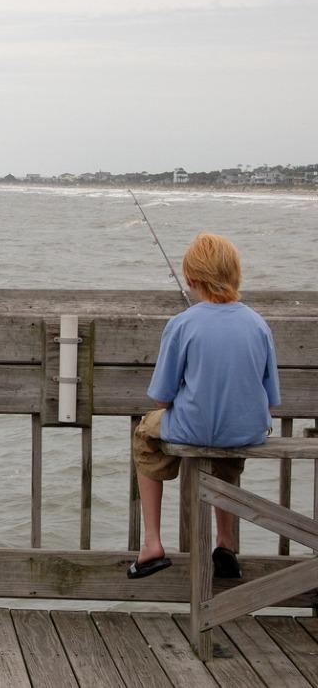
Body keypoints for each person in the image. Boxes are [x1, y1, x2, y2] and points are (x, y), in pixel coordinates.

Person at [129, 232, 280, 579]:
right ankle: (225, 542)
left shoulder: (183, 324)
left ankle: (151, 541)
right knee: (226, 456)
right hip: (246, 429)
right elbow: (271, 397)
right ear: (235, 275)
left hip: (195, 428)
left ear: (192, 279)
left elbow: (161, 398)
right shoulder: (258, 325)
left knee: (145, 433)